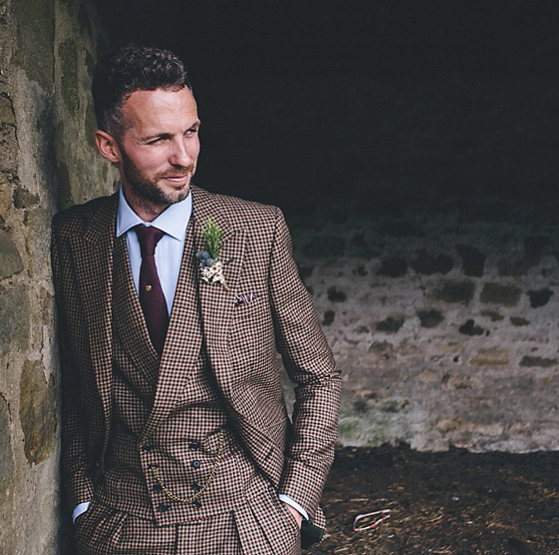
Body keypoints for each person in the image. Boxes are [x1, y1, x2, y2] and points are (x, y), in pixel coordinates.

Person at [51, 44, 341, 554]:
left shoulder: (254, 230)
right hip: (123, 524)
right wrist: (82, 503)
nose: (183, 156)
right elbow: (75, 384)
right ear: (109, 146)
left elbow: (319, 376)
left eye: (191, 131)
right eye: (159, 139)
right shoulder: (75, 237)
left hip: (247, 519)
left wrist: (294, 502)